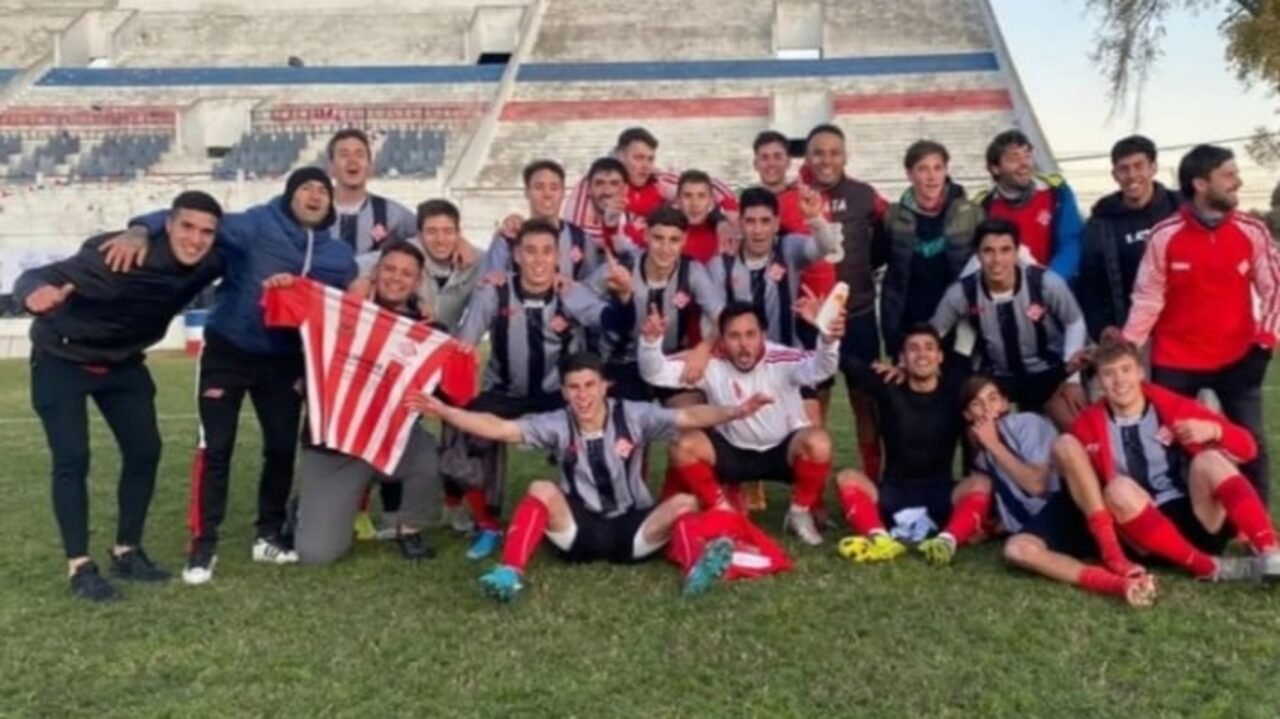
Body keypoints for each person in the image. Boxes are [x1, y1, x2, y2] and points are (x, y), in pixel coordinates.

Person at [114, 167, 358, 584]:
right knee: (217, 447)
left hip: (284, 361)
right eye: (306, 188)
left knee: (281, 448)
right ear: (289, 195)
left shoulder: (337, 255)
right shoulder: (257, 224)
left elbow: (353, 292)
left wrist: (362, 284)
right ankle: (203, 544)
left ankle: (268, 534)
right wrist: (139, 230)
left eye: (323, 191)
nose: (315, 196)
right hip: (229, 350)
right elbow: (194, 218)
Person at [408, 353, 773, 601]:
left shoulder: (634, 415)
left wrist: (735, 412)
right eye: (574, 387)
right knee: (541, 488)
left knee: (684, 503)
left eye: (589, 385)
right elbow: (499, 428)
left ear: (603, 387)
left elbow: (689, 419)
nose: (582, 395)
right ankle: (510, 571)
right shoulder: (556, 423)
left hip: (633, 530)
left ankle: (697, 570)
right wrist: (447, 411)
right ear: (564, 392)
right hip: (579, 530)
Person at [15, 192, 224, 602]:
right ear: (169, 224)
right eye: (187, 227)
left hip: (123, 362)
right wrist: (32, 294)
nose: (196, 240)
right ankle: (79, 566)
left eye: (206, 232)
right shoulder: (115, 258)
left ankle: (127, 551)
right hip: (63, 356)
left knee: (145, 450)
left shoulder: (210, 261)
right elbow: (36, 275)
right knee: (73, 457)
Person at [446, 219, 635, 559]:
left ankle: (591, 507)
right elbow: (463, 346)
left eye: (547, 252)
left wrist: (623, 296)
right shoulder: (494, 290)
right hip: (504, 391)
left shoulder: (570, 294)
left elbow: (615, 323)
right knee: (463, 428)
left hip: (556, 396)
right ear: (516, 255)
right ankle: (487, 523)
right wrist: (459, 392)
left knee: (599, 422)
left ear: (557, 257)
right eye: (530, 251)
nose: (538, 260)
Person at [1123, 144, 1280, 501]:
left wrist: (1264, 344)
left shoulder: (1252, 231)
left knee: (1250, 442)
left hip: (1238, 359)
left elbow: (1275, 291)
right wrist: (1128, 348)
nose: (1237, 182)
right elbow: (1147, 299)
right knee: (1170, 442)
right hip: (1175, 361)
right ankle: (1181, 517)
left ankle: (1257, 532)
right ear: (1200, 184)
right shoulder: (1164, 235)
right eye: (1228, 175)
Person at [1056, 340, 1280, 583]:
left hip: (1197, 516)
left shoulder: (1171, 405)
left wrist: (1215, 431)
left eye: (1126, 369)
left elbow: (1248, 449)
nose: (1119, 381)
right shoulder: (1087, 425)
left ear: (1140, 372)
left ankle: (1270, 551)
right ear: (1099, 381)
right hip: (1142, 528)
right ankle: (1206, 567)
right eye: (1109, 374)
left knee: (1209, 459)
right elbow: (1079, 482)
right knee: (1117, 488)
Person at [293, 242, 444, 565]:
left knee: (429, 457)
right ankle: (305, 506)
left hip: (390, 441)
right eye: (389, 269)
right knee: (317, 554)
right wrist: (282, 284)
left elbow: (447, 391)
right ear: (375, 273)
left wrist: (458, 361)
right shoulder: (339, 311)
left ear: (417, 283)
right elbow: (298, 317)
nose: (396, 278)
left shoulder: (427, 330)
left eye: (407, 273)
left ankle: (408, 527)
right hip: (334, 444)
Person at [643, 301, 840, 546]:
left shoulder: (783, 358)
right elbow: (655, 373)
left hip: (781, 451)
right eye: (734, 336)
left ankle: (799, 513)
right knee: (683, 444)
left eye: (751, 334)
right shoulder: (711, 363)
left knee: (818, 441)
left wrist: (828, 340)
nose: (744, 344)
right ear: (722, 340)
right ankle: (722, 510)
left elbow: (822, 369)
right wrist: (650, 343)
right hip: (731, 451)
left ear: (763, 335)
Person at [963, 375, 1157, 607]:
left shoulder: (1025, 423)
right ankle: (1118, 585)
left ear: (1005, 404)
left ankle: (1114, 552)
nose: (986, 408)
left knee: (1065, 445)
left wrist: (994, 445)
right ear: (967, 415)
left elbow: (1036, 484)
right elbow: (1010, 501)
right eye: (977, 403)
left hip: (1073, 501)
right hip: (1049, 521)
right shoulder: (983, 457)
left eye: (992, 399)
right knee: (1016, 550)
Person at [832, 324, 989, 566]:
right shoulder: (888, 386)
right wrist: (826, 332)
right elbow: (850, 365)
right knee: (846, 477)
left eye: (929, 348)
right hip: (892, 493)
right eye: (913, 349)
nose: (922, 355)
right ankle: (880, 539)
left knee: (981, 483)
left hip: (941, 493)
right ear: (902, 358)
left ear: (940, 357)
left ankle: (947, 541)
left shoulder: (955, 393)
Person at [930, 219, 1088, 430]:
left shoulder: (1045, 283)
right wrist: (906, 365)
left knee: (1077, 427)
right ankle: (979, 463)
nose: (997, 259)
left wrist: (1073, 379)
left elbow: (1075, 322)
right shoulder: (961, 293)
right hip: (997, 377)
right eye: (988, 251)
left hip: (1049, 372)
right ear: (977, 255)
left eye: (1005, 250)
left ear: (1016, 253)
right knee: (977, 430)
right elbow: (932, 334)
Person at [803, 123, 889, 481]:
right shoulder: (794, 195)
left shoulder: (864, 195)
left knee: (864, 402)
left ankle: (872, 477)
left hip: (859, 315)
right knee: (814, 406)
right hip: (811, 319)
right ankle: (815, 489)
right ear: (807, 157)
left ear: (845, 156)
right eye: (818, 152)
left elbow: (889, 236)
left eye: (834, 152)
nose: (826, 160)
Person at [591, 206, 725, 404]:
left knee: (690, 414)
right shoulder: (622, 267)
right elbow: (580, 294)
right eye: (658, 238)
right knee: (628, 423)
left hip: (669, 359)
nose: (665, 248)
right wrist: (603, 315)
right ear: (645, 236)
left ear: (684, 240)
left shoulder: (692, 271)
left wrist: (703, 349)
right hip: (622, 361)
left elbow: (723, 318)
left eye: (674, 240)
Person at [879, 140, 982, 358]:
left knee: (959, 386)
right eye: (922, 169)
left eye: (938, 168)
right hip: (908, 319)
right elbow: (878, 262)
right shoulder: (893, 216)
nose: (932, 176)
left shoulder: (971, 213)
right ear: (909, 174)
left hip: (958, 321)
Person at [1078, 135, 1181, 340]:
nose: (1132, 175)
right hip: (1131, 337)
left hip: (1185, 332)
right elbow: (1088, 286)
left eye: (1138, 166)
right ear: (1114, 174)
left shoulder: (1182, 208)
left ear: (1153, 168)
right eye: (1123, 169)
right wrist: (1102, 328)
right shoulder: (1100, 223)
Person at [563, 127, 737, 240]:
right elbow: (577, 233)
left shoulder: (657, 177)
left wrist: (723, 216)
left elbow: (706, 184)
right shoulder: (594, 182)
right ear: (619, 155)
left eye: (650, 159)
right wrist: (633, 234)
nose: (646, 165)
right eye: (638, 158)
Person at [974, 129, 1084, 281]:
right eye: (1014, 158)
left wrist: (1050, 281)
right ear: (995, 168)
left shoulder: (1056, 193)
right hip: (1006, 295)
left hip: (1055, 290)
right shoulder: (983, 206)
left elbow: (1071, 243)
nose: (1024, 164)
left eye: (1027, 155)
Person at [484, 159, 605, 282]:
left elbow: (593, 289)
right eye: (539, 187)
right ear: (526, 192)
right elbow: (489, 284)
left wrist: (573, 291)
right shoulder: (509, 238)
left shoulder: (582, 239)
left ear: (563, 192)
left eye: (554, 188)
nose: (547, 194)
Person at [325, 128, 418, 254]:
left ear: (370, 167)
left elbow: (427, 237)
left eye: (360, 155)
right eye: (344, 155)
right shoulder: (312, 212)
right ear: (330, 167)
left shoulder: (393, 213)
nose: (352, 161)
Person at [675, 169, 736, 263]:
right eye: (688, 196)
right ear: (678, 201)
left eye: (701, 196)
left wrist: (721, 219)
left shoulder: (726, 232)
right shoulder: (662, 232)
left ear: (711, 201)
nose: (694, 204)